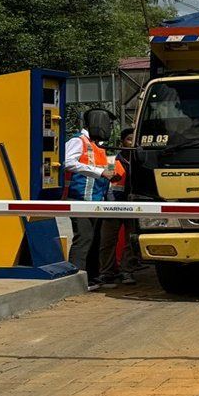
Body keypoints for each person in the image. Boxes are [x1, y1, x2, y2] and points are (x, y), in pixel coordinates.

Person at [64, 109, 114, 290]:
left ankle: (92, 278)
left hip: (96, 200)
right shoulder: (78, 141)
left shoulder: (96, 144)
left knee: (94, 240)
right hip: (80, 199)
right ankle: (75, 280)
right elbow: (68, 162)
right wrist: (100, 172)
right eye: (107, 123)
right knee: (84, 238)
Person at [98, 128, 141, 287]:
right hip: (113, 206)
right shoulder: (113, 162)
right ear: (122, 142)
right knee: (108, 240)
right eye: (129, 139)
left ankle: (126, 270)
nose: (132, 143)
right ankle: (107, 272)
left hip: (134, 207)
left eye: (134, 140)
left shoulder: (140, 162)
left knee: (131, 240)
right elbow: (107, 183)